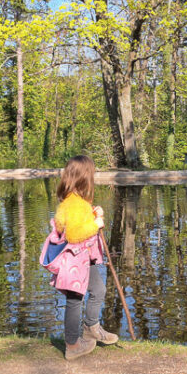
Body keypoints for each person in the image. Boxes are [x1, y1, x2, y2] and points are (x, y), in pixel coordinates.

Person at [52, 154, 119, 360]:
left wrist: (93, 214)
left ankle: (91, 327)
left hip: (82, 259)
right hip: (74, 261)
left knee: (98, 289)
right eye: (92, 173)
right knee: (75, 299)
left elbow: (75, 224)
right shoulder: (73, 204)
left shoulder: (77, 201)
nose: (94, 177)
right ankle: (72, 345)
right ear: (83, 177)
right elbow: (73, 235)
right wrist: (96, 224)